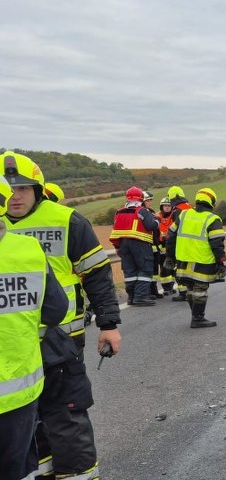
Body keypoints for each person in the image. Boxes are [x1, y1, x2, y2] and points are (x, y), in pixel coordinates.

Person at [1, 151, 122, 480]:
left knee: (65, 420)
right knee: (27, 430)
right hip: (12, 352)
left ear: (38, 189)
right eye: (8, 188)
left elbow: (97, 275)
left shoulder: (67, 221)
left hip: (60, 345)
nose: (15, 195)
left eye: (23, 188)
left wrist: (109, 325)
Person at [0, 176, 69, 480]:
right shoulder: (28, 250)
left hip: (19, 391)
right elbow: (55, 311)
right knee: (19, 467)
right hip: (18, 392)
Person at [165, 188, 226, 328]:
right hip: (202, 261)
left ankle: (196, 316)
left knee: (190, 289)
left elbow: (170, 236)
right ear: (211, 202)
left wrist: (169, 256)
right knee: (200, 290)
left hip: (183, 261)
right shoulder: (213, 219)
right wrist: (221, 262)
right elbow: (217, 244)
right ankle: (198, 318)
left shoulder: (184, 215)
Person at [109, 187, 158, 306]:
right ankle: (140, 297)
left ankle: (131, 297)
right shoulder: (142, 211)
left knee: (130, 271)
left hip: (123, 245)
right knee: (145, 269)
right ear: (141, 198)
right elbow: (151, 226)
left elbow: (115, 229)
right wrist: (157, 220)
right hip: (140, 244)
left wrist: (117, 247)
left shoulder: (119, 212)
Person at [166, 186, 192, 302]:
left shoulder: (177, 211)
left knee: (180, 270)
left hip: (181, 245)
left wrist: (169, 253)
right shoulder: (192, 208)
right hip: (194, 245)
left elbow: (173, 233)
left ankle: (183, 293)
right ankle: (193, 291)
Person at [156, 197, 176, 296]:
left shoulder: (174, 216)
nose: (167, 208)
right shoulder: (157, 217)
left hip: (172, 247)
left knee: (172, 268)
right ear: (161, 206)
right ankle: (166, 288)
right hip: (162, 247)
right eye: (165, 206)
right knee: (164, 268)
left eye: (169, 206)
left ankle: (171, 286)